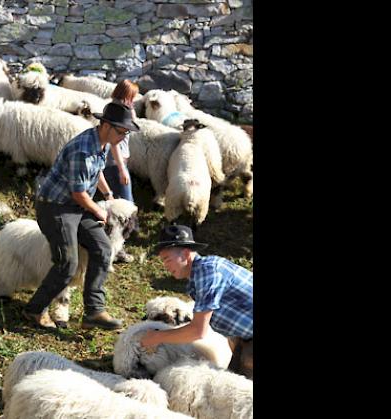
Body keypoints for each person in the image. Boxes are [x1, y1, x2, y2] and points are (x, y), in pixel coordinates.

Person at [22, 102, 140, 330]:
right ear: (105, 125)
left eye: (126, 133)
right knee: (67, 262)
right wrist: (99, 210)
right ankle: (34, 309)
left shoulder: (102, 143)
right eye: (121, 132)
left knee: (103, 248)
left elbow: (97, 172)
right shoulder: (82, 150)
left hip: (76, 205)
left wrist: (107, 194)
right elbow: (78, 192)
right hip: (56, 207)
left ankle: (94, 311)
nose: (123, 137)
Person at [140, 225, 254, 378]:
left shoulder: (207, 272)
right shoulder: (199, 277)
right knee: (232, 383)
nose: (165, 266)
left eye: (167, 259)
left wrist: (156, 337)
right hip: (245, 338)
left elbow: (198, 331)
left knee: (243, 393)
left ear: (186, 254)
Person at [102, 80, 139, 264]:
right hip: (115, 165)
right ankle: (118, 249)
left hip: (117, 164)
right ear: (127, 94)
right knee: (126, 207)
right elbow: (114, 143)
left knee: (117, 206)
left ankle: (114, 246)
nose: (135, 99)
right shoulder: (118, 111)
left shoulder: (116, 108)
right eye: (133, 95)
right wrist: (122, 168)